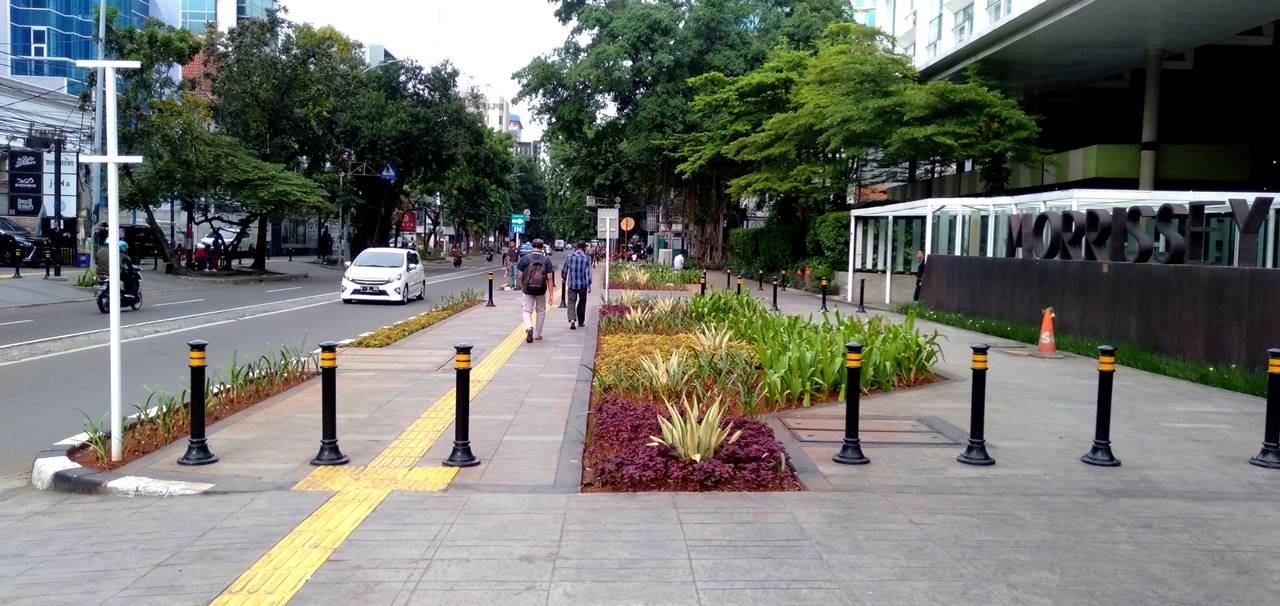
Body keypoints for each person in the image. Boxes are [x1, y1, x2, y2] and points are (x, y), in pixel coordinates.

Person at [517, 239, 555, 343]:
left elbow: (520, 275)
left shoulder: (525, 258)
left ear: (532, 247)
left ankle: (529, 327)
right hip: (541, 290)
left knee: (526, 310)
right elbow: (549, 278)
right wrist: (551, 295)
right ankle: (538, 334)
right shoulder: (546, 260)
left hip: (528, 289)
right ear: (542, 248)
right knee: (541, 311)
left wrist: (522, 286)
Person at [561, 241, 592, 330]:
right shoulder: (587, 258)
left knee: (571, 301)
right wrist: (589, 285)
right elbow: (589, 272)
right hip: (583, 285)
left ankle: (572, 320)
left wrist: (564, 277)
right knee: (582, 302)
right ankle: (581, 322)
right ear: (584, 248)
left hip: (572, 284)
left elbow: (564, 269)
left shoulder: (570, 256)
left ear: (577, 247)